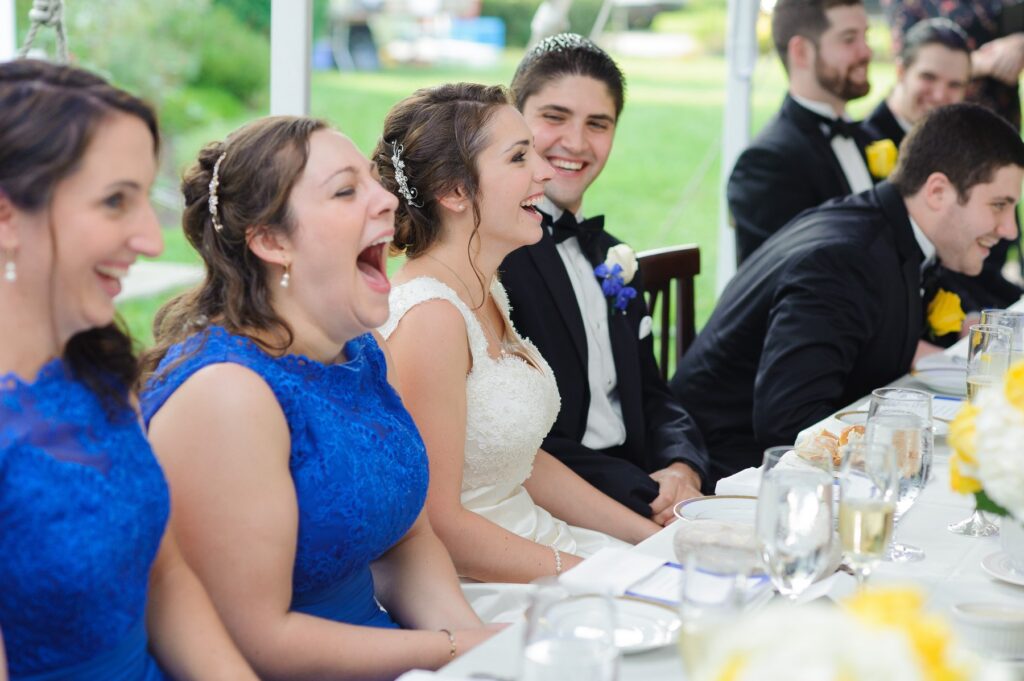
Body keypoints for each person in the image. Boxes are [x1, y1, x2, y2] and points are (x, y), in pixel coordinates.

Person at [140, 116, 492, 678]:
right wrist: (448, 650)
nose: (386, 200)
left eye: (376, 182)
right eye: (347, 190)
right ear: (271, 241)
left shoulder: (364, 349)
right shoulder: (227, 396)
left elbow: (408, 541)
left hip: (399, 652)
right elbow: (253, 639)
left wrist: (479, 648)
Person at [0, 60, 256, 680]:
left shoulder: (99, 369)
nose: (149, 237)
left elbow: (165, 576)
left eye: (146, 198)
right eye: (116, 201)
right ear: (7, 217)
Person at [378, 83, 660, 594]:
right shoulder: (432, 319)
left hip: (545, 543)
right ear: (454, 191)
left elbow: (519, 462)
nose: (545, 172)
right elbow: (438, 526)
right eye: (518, 158)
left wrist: (653, 540)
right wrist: (601, 576)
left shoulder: (486, 292)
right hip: (484, 582)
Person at [671, 103, 1024, 483]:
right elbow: (789, 420)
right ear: (937, 191)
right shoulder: (844, 261)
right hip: (722, 470)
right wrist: (902, 453)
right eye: (999, 206)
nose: (1010, 230)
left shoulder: (883, 231)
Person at [499, 33, 709, 526]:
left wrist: (682, 464)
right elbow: (519, 439)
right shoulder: (497, 258)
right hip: (564, 503)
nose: (576, 142)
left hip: (648, 484)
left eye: (598, 124)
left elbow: (652, 391)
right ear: (514, 119)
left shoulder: (610, 251)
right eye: (554, 117)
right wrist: (646, 494)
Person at [728, 0, 875, 264]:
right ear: (802, 52)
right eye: (849, 39)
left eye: (866, 36)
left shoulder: (867, 137)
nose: (866, 52)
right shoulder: (767, 164)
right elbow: (782, 281)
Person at [862, 18, 971, 146]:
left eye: (954, 85)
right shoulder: (863, 142)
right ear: (900, 71)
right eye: (929, 77)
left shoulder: (965, 146)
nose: (939, 96)